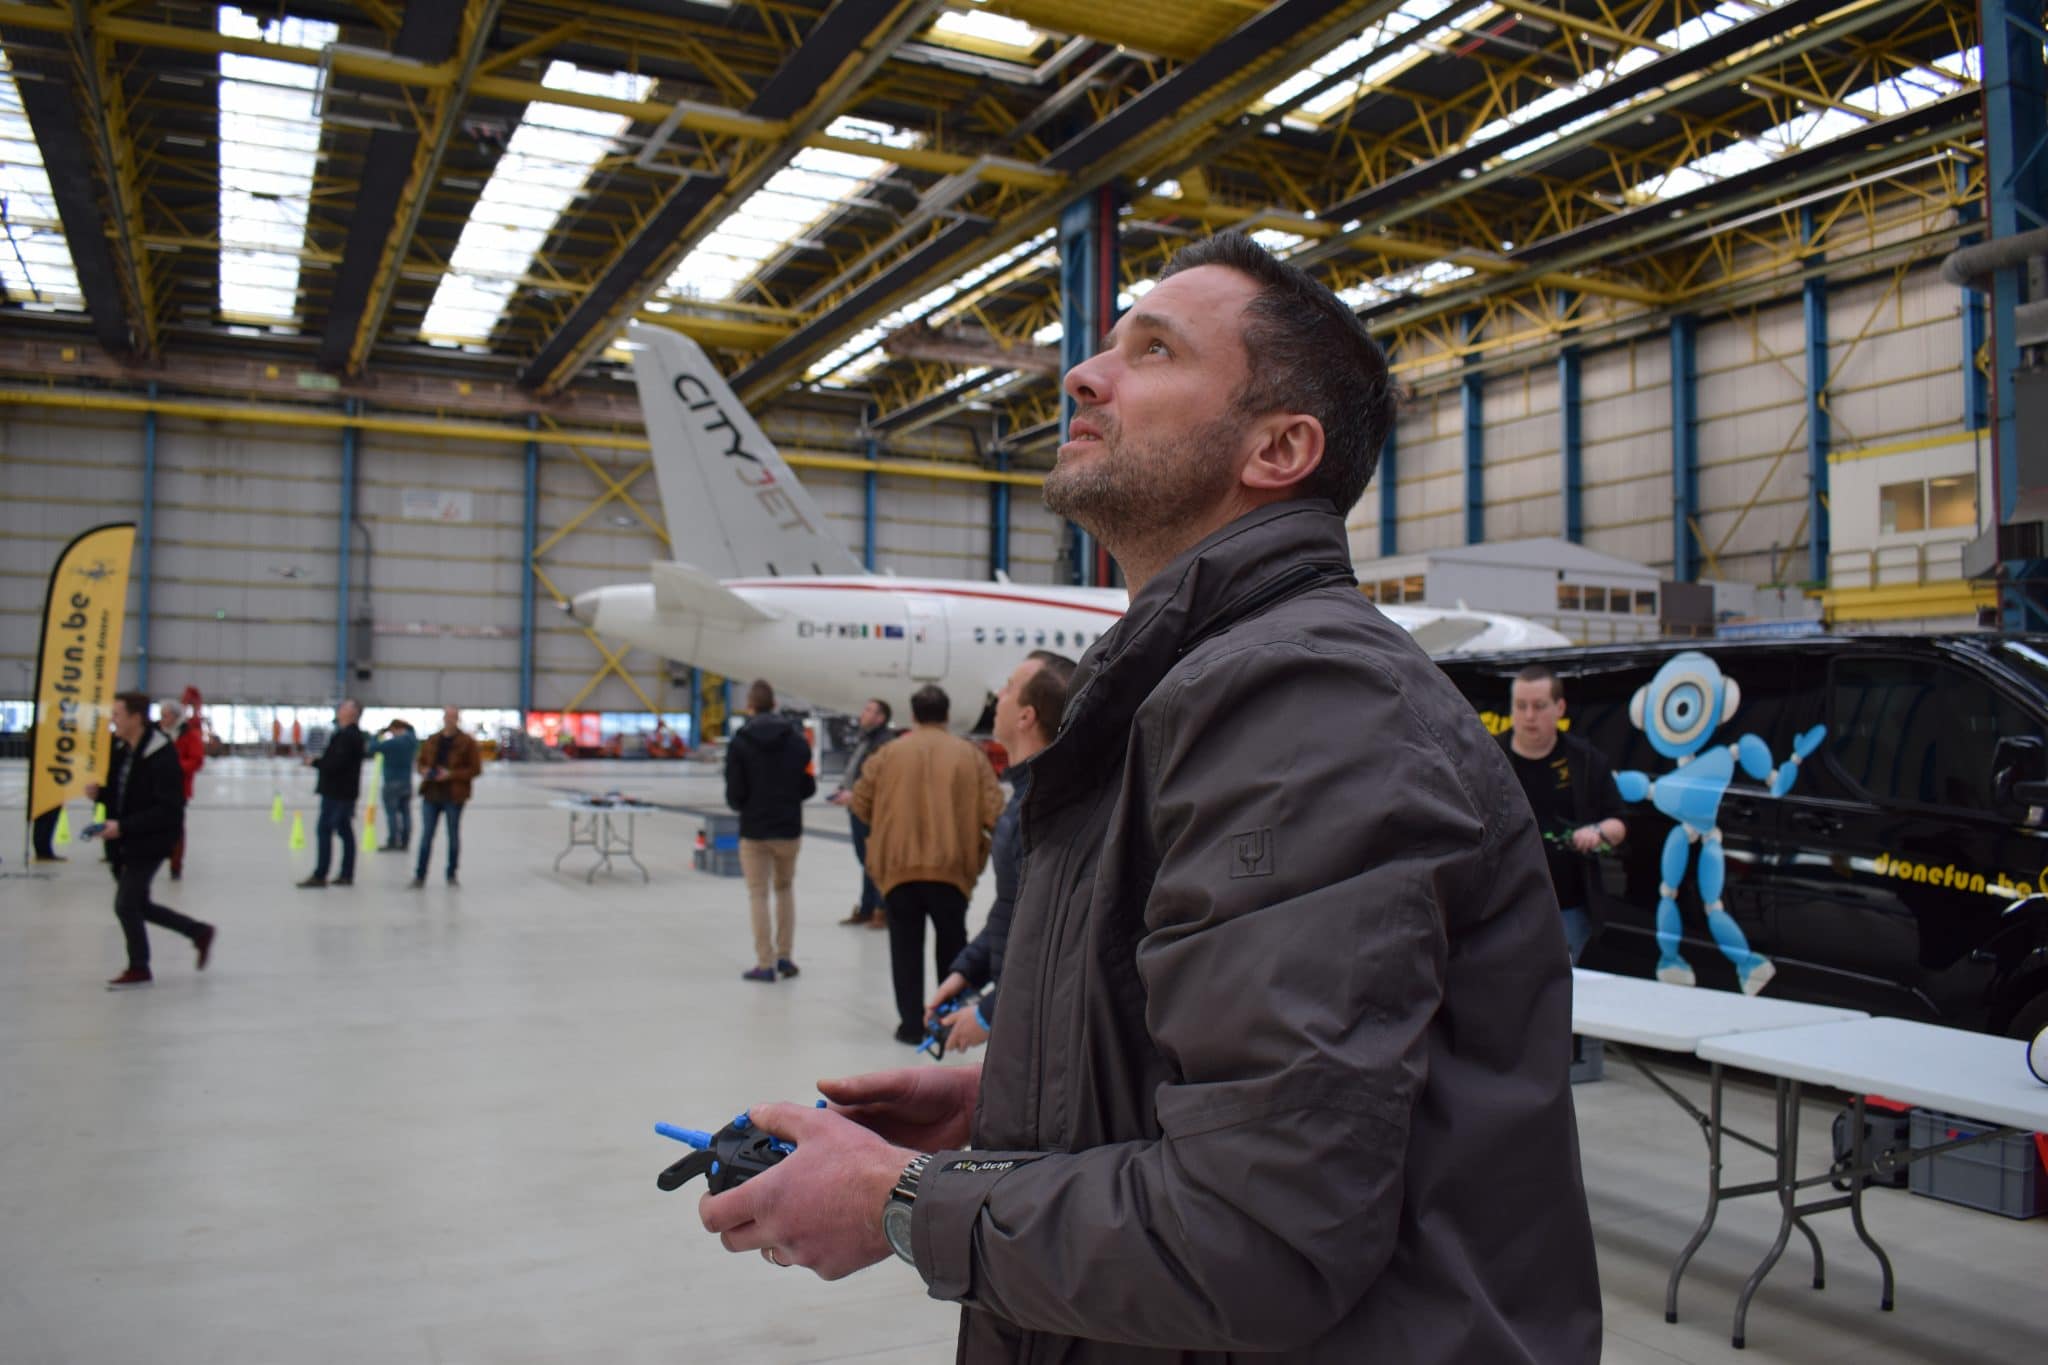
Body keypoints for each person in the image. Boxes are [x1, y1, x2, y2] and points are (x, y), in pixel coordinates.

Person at [696, 231, 1601, 1363]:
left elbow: (1258, 1232)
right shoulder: (1181, 691)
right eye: (1106, 346)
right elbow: (1260, 1085)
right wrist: (1012, 1110)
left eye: (1154, 350)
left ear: (1278, 447)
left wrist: (900, 1200)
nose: (1082, 374)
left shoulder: (1308, 707)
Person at [924, 651, 1074, 1054]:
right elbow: (1012, 907)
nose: (998, 696)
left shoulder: (1047, 810)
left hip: (1037, 1024)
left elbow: (1051, 936)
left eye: (1008, 689)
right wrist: (968, 970)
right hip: (1021, 1011)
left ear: (1026, 716)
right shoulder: (1030, 795)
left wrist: (989, 1013)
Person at [849, 684, 1003, 1046]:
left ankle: (910, 1026)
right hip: (952, 870)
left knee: (904, 948)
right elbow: (995, 812)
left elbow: (860, 802)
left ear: (913, 715)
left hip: (897, 871)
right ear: (946, 715)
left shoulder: (887, 754)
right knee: (953, 950)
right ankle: (947, 1021)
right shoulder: (971, 756)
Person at [83, 693, 214, 989]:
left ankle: (139, 967)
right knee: (139, 904)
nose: (113, 721)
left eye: (117, 715)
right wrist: (100, 794)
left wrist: (123, 826)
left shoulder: (161, 753)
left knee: (126, 904)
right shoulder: (121, 748)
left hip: (152, 839)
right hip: (125, 839)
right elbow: (122, 791)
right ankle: (198, 931)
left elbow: (168, 809)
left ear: (135, 718)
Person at [1502, 662, 1629, 962]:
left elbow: (1619, 823)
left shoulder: (1585, 761)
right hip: (1504, 905)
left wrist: (1597, 832)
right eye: (1521, 706)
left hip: (1567, 908)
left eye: (1539, 706)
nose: (1529, 716)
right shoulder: (1489, 757)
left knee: (1560, 982)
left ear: (1559, 708)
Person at [724, 680, 816, 982]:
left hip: (755, 829)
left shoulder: (740, 742)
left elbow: (734, 793)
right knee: (785, 889)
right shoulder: (797, 741)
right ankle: (785, 957)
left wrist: (747, 805)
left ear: (749, 706)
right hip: (788, 828)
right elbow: (808, 786)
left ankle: (764, 963)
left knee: (758, 894)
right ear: (774, 704)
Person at [827, 698, 895, 928]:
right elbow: (857, 771)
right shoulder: (866, 739)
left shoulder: (883, 743)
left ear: (880, 718)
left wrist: (854, 794)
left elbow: (877, 779)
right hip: (857, 806)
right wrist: (843, 789)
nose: (863, 714)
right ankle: (867, 908)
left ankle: (882, 910)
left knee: (874, 861)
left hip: (871, 810)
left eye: (868, 710)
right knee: (866, 861)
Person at [412, 706, 481, 888]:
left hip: (454, 795)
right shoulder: (432, 740)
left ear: (458, 719)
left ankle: (451, 874)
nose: (449, 720)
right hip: (431, 793)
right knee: (426, 835)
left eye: (453, 717)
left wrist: (451, 774)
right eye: (447, 716)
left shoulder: (467, 742)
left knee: (453, 835)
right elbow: (420, 762)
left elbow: (475, 769)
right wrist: (424, 770)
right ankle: (420, 875)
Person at [299, 700, 365, 889]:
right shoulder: (345, 735)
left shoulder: (348, 736)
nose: (340, 710)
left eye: (344, 708)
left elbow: (337, 764)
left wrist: (315, 763)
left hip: (338, 793)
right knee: (344, 831)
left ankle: (321, 874)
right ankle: (345, 873)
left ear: (352, 713)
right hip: (340, 792)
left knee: (325, 830)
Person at [160, 698, 204, 880]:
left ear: (176, 716)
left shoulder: (190, 734)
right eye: (161, 715)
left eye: (166, 715)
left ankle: (176, 864)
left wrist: (175, 767)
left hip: (178, 788)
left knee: (176, 826)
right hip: (156, 786)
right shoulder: (157, 733)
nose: (162, 719)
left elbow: (197, 760)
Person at [369, 718, 419, 852]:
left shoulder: (392, 743)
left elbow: (372, 747)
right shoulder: (412, 742)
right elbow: (412, 732)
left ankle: (393, 841)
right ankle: (405, 841)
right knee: (406, 813)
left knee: (392, 813)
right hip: (406, 782)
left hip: (391, 781)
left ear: (395, 729)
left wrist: (377, 734)